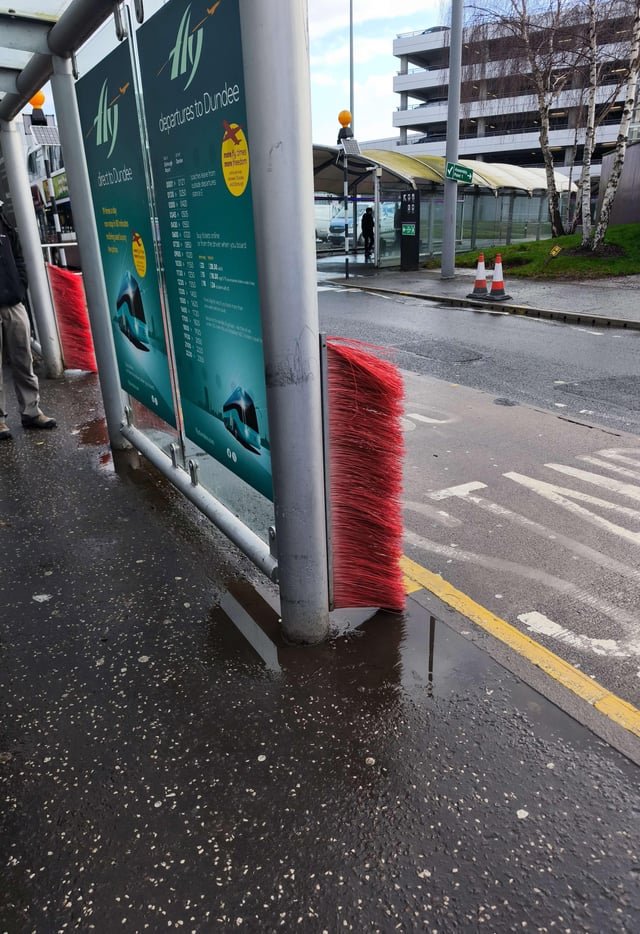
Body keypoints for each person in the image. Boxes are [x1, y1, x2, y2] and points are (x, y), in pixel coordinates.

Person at [0, 203, 56, 441]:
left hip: (13, 303)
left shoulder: (2, 220)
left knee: (24, 359)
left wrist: (20, 286)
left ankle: (31, 411)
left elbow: (18, 255)